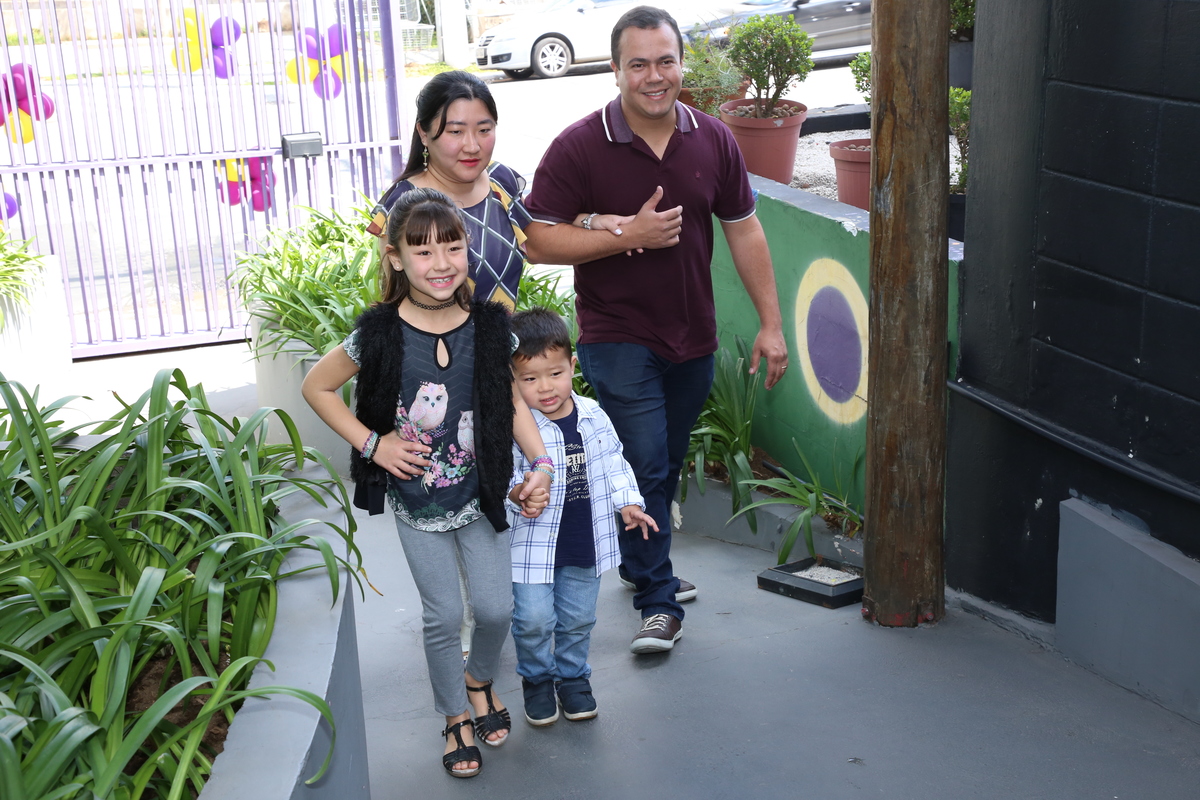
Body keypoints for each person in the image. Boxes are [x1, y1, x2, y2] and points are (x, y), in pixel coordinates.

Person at [521, 5, 789, 655]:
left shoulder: (714, 139)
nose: (653, 75)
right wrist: (624, 233)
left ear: (681, 64)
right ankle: (659, 601)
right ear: (615, 70)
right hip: (616, 333)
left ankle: (640, 561)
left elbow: (744, 229)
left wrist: (771, 324)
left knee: (661, 462)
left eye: (665, 61)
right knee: (643, 459)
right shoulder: (580, 145)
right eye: (638, 63)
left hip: (692, 336)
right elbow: (535, 240)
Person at [302, 188, 553, 779]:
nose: (441, 263)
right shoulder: (379, 334)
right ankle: (454, 713)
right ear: (394, 257)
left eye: (453, 246)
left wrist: (540, 462)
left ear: (469, 248)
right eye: (422, 251)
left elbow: (510, 400)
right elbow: (317, 386)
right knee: (442, 616)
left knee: (495, 609)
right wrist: (374, 444)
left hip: (481, 492)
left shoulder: (490, 327)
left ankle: (479, 680)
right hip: (418, 499)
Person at [506, 308, 658, 725]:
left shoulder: (592, 415)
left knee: (578, 618)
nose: (545, 387)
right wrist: (518, 493)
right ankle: (537, 678)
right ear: (512, 381)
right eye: (529, 379)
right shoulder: (515, 426)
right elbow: (503, 476)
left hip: (584, 541)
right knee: (533, 619)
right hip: (532, 545)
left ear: (572, 365)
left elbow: (614, 462)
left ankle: (572, 678)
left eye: (555, 374)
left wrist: (628, 503)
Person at [367, 70, 531, 310]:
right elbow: (398, 304)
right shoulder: (404, 203)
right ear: (424, 133)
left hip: (505, 333)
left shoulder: (501, 180)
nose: (472, 146)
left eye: (484, 130)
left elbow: (539, 246)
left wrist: (584, 221)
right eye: (456, 132)